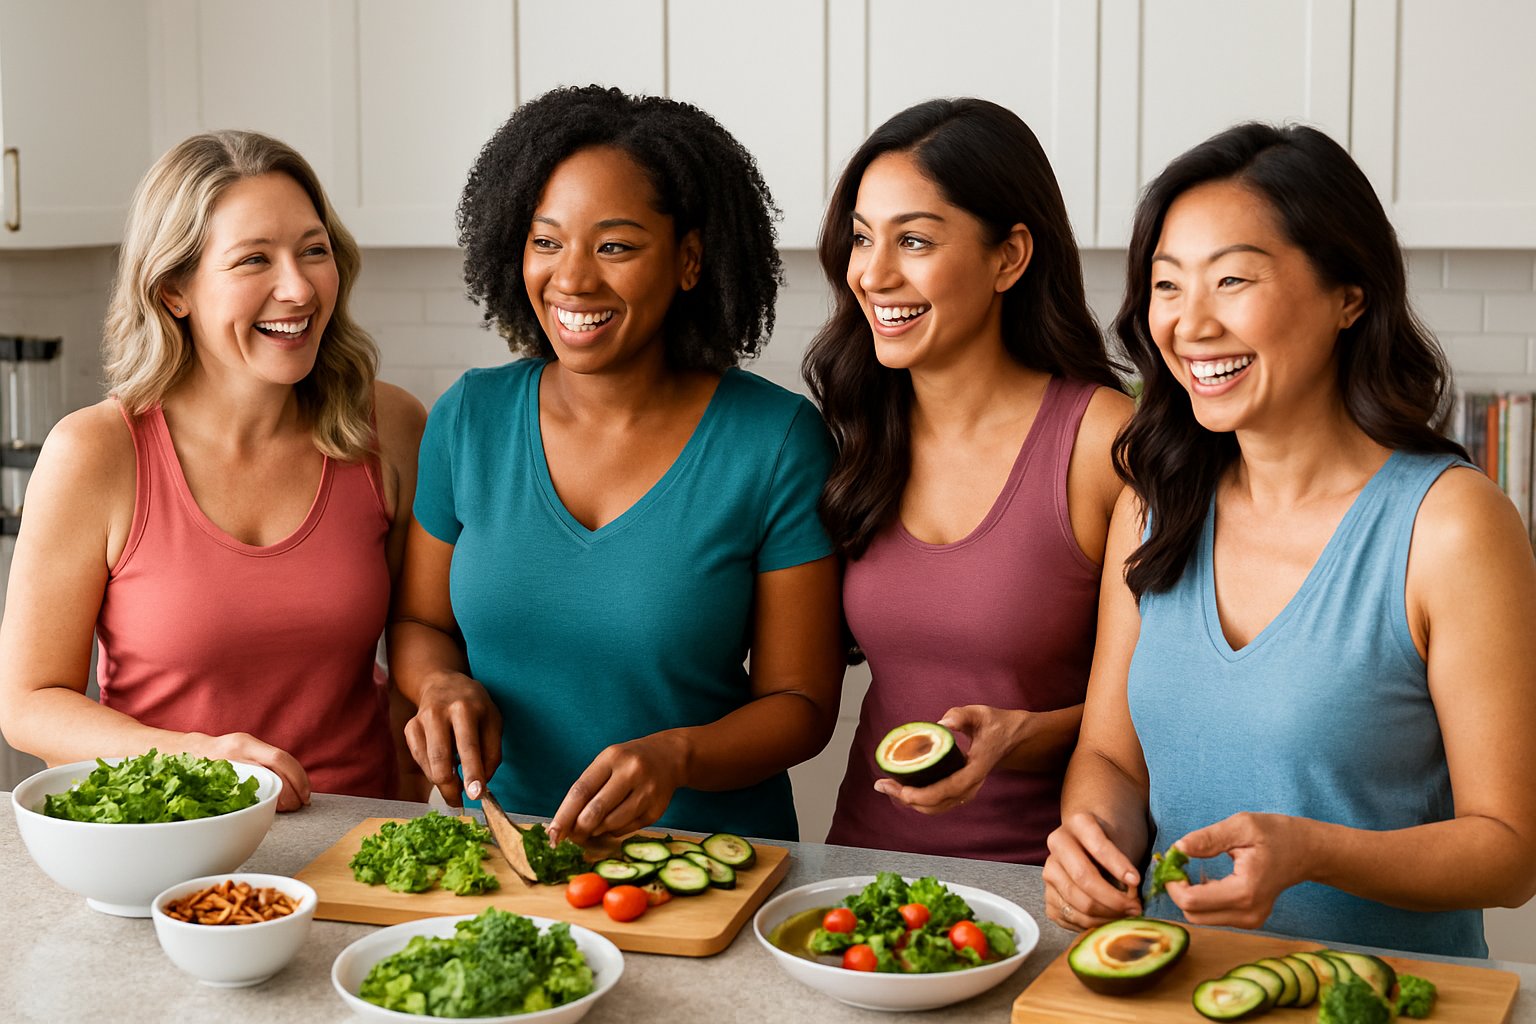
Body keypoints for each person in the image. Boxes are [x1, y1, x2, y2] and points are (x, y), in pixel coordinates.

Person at [1041, 123, 1536, 957]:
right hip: (1171, 989)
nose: (1190, 324)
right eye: (1167, 285)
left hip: (1382, 1004)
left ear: (1351, 295)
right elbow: (1112, 759)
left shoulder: (1452, 525)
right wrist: (1090, 842)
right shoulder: (1153, 507)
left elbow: (1511, 851)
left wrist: (1317, 853)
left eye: (1232, 279)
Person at [392, 85, 844, 844]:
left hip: (709, 859)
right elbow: (419, 621)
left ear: (690, 260)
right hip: (507, 855)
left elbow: (801, 703)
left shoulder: (775, 440)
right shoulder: (468, 418)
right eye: (546, 241)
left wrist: (679, 754)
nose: (573, 279)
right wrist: (439, 685)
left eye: (616, 246)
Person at [0, 131, 426, 810]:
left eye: (313, 251)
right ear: (174, 290)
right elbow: (28, 704)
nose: (297, 286)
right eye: (254, 259)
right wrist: (203, 756)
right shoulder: (96, 454)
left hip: (354, 838)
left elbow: (417, 644)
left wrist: (412, 810)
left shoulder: (390, 429)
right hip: (168, 837)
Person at [805, 98, 1132, 865]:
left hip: (1048, 887)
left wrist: (1025, 735)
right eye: (861, 238)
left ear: (1008, 258)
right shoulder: (856, 433)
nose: (873, 274)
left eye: (913, 240)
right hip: (860, 873)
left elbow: (1173, 706)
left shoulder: (1103, 443)